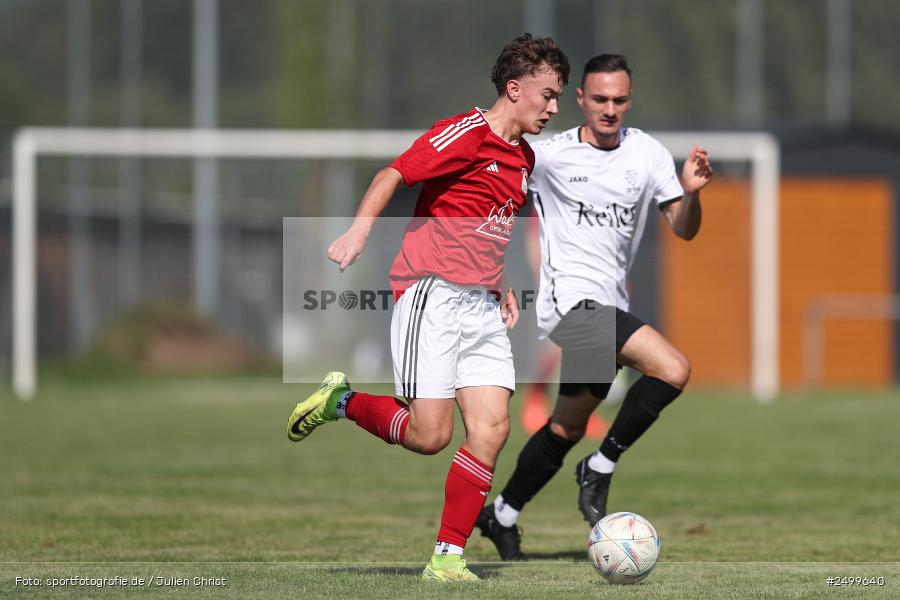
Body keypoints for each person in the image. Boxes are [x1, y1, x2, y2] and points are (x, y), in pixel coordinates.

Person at [286, 34, 570, 581]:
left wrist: (505, 282)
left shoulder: (524, 158)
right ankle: (341, 401)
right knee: (429, 436)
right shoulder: (466, 132)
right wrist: (359, 232)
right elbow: (392, 174)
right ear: (515, 89)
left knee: (491, 429)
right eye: (548, 94)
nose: (554, 107)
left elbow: (491, 227)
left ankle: (447, 559)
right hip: (431, 295)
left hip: (482, 309)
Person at [477, 54, 713, 560]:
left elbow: (684, 227)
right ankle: (600, 467)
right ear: (580, 99)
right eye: (600, 99)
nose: (610, 109)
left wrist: (691, 194)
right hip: (570, 305)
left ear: (630, 100)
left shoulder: (647, 154)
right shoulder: (550, 155)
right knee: (672, 368)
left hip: (608, 303)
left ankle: (502, 514)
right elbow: (496, 187)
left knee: (566, 426)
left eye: (619, 100)